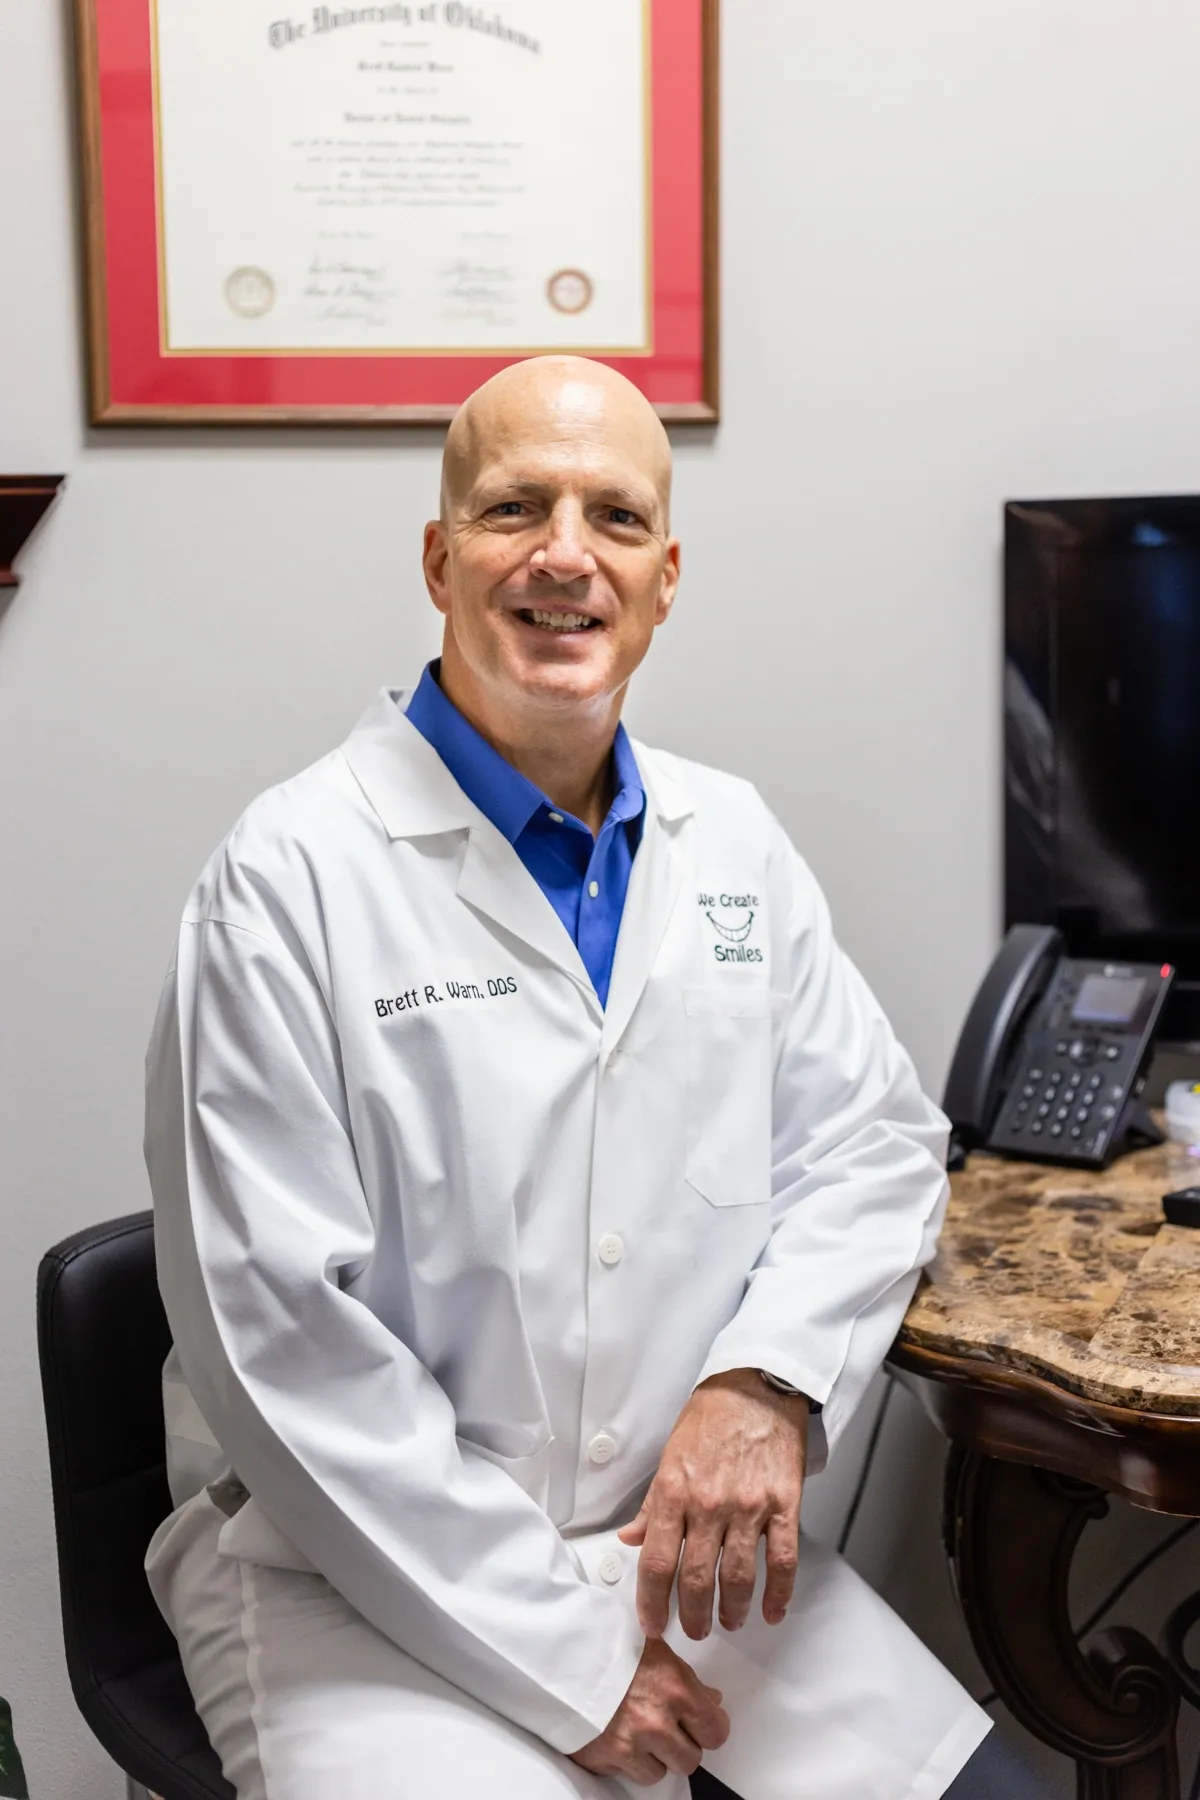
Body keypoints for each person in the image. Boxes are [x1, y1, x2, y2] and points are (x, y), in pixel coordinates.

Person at [143, 356, 1035, 1800]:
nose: (566, 553)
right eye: (514, 508)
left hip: (674, 1555)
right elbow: (282, 1345)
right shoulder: (285, 879)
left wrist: (766, 1380)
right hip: (360, 1579)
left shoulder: (730, 841)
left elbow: (875, 1142)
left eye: (614, 517)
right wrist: (570, 1667)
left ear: (666, 576)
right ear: (441, 560)